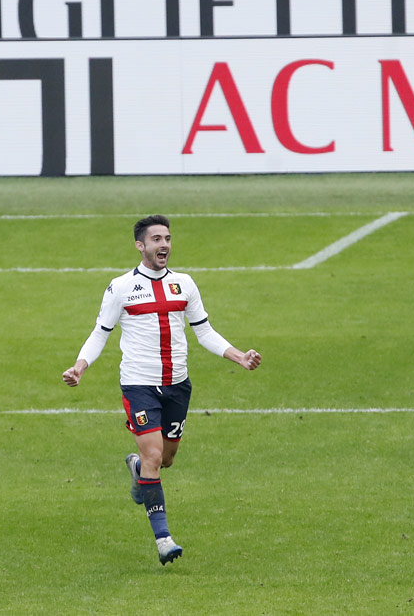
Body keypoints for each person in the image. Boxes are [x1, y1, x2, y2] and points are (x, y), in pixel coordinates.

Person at [62, 215, 261, 565]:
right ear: (140, 246)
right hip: (139, 384)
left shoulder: (184, 284)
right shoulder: (121, 287)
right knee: (155, 455)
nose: (164, 244)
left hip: (178, 386)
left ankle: (139, 470)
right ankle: (163, 538)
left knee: (165, 459)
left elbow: (205, 331)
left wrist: (238, 356)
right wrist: (80, 366)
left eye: (167, 238)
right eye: (156, 239)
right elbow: (100, 332)